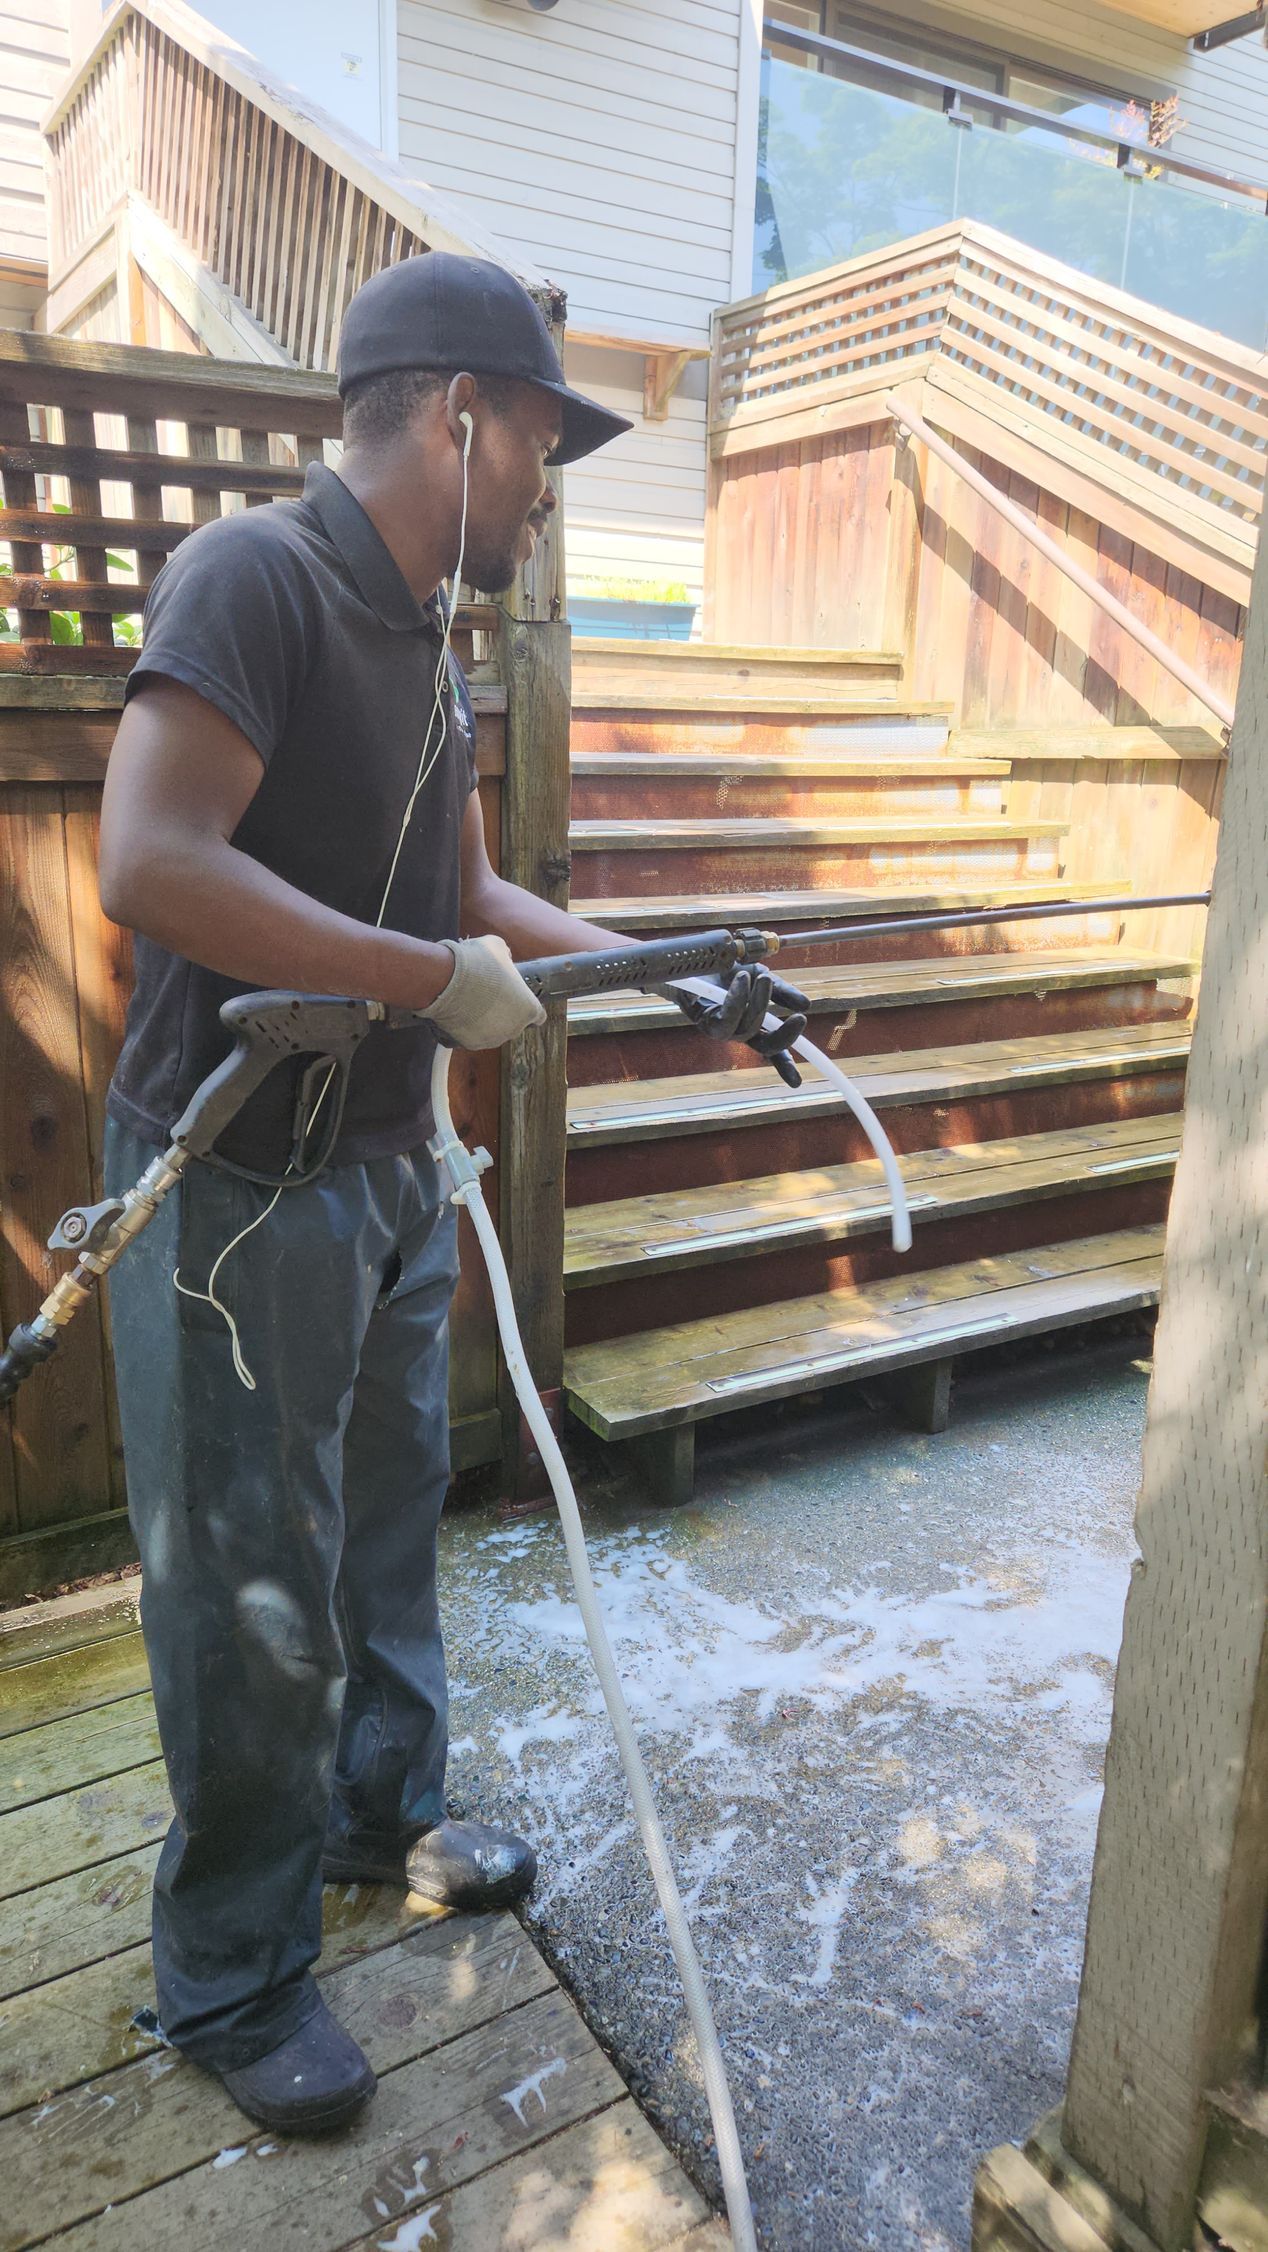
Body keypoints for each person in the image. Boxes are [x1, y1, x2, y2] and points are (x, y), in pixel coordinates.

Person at [98, 253, 805, 2138]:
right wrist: (420, 984)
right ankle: (230, 1977)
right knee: (251, 1599)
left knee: (383, 1541)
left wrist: (670, 970)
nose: (555, 482)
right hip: (237, 1187)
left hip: (393, 1170)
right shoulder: (257, 579)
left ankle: (368, 1820)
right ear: (457, 415)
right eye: (547, 442)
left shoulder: (431, 627)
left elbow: (475, 905)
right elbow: (148, 858)